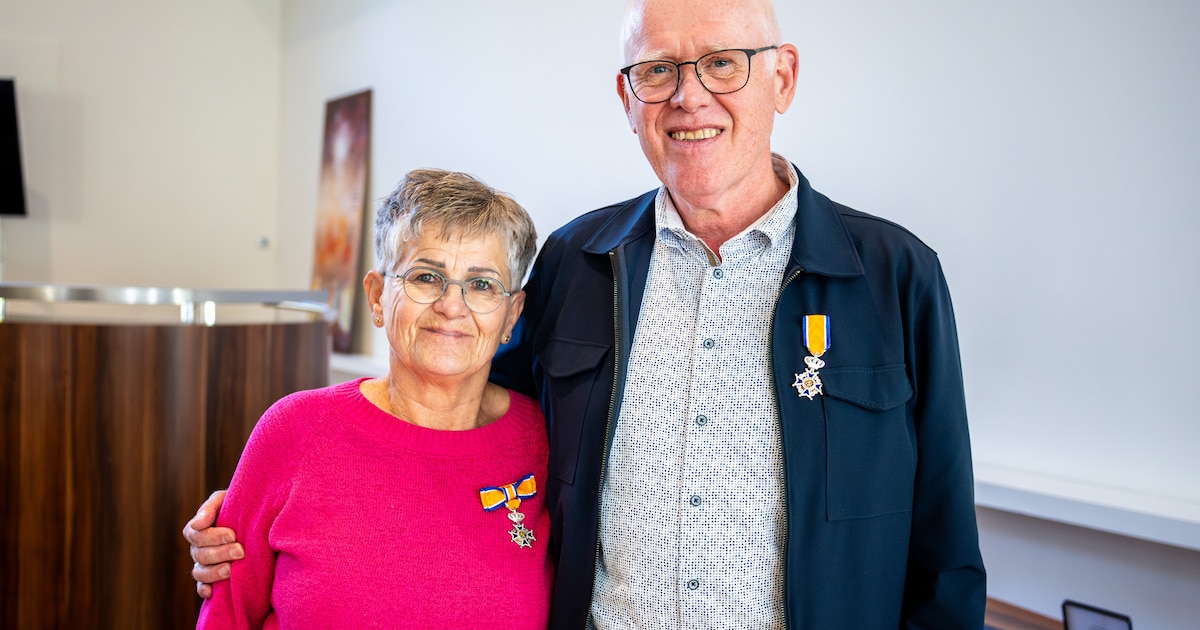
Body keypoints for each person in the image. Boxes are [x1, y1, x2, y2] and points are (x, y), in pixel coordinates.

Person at [188, 0, 986, 627]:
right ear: (626, 96)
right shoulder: (575, 263)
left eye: (722, 64)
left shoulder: (893, 277)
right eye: (659, 69)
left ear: (783, 77)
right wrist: (256, 526)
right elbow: (455, 423)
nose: (688, 95)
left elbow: (944, 556)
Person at [192, 168, 550, 628]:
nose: (452, 305)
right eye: (426, 276)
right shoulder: (295, 430)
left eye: (481, 284)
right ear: (378, 297)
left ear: (511, 316)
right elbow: (227, 614)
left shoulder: (548, 441)